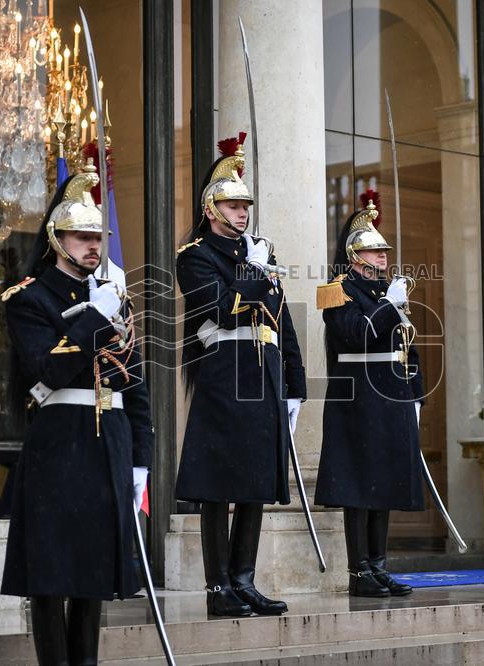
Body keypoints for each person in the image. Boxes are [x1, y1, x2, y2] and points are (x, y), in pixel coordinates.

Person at [0, 162, 154, 665]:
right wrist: (93, 318)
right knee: (51, 573)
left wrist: (141, 457)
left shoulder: (112, 298)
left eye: (98, 237)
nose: (94, 246)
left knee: (94, 572)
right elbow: (48, 368)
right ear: (57, 238)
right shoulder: (29, 298)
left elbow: (134, 383)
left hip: (110, 441)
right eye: (83, 237)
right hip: (60, 442)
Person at [175, 134, 307, 617]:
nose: (242, 213)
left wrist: (295, 383)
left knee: (256, 482)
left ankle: (244, 580)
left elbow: (281, 321)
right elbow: (222, 309)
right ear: (211, 208)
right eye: (233, 205)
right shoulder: (195, 256)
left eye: (245, 206)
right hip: (224, 374)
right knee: (218, 485)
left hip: (264, 375)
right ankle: (218, 587)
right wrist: (252, 271)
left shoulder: (258, 254)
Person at [314, 190, 424, 598]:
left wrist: (416, 394)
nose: (382, 257)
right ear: (355, 256)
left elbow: (406, 346)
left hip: (392, 396)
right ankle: (358, 571)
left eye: (384, 252)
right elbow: (358, 334)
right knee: (359, 486)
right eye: (375, 252)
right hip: (359, 399)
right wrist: (390, 307)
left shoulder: (384, 293)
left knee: (386, 482)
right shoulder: (338, 290)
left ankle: (378, 566)